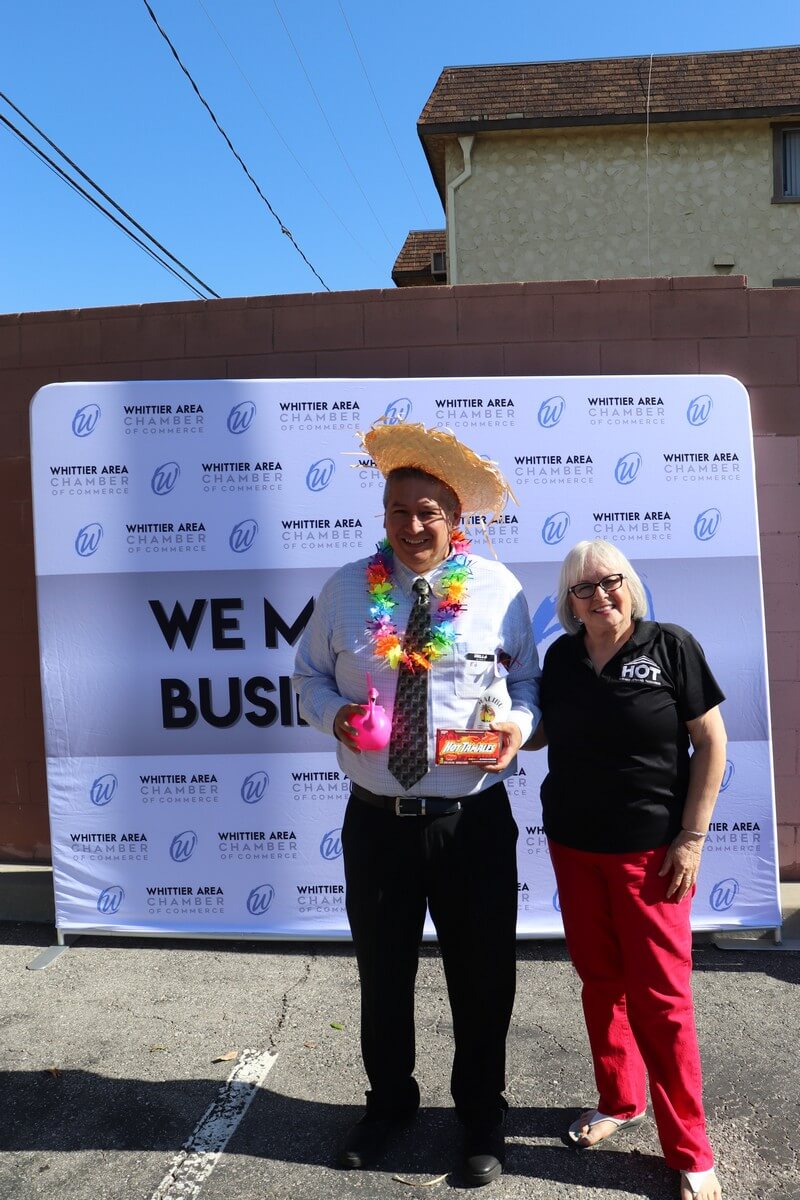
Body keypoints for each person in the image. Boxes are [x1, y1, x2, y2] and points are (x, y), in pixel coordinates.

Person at [293, 420, 540, 1185]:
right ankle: (389, 1104)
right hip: (377, 822)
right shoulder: (344, 589)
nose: (412, 526)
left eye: (428, 511)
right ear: (384, 515)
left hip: (472, 822)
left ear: (454, 518)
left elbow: (527, 682)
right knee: (383, 972)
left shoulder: (498, 591)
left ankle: (481, 1116)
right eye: (398, 510)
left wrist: (515, 727)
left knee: (483, 976)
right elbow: (306, 677)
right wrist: (336, 715)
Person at [529, 538, 726, 1200]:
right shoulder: (561, 657)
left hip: (653, 855)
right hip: (574, 848)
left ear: (630, 584)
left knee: (662, 1002)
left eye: (610, 581)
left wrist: (691, 837)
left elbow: (712, 741)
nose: (600, 595)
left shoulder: (671, 646)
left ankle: (691, 1150)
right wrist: (486, 699)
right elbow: (537, 734)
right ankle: (620, 1099)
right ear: (570, 602)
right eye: (584, 588)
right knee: (601, 981)